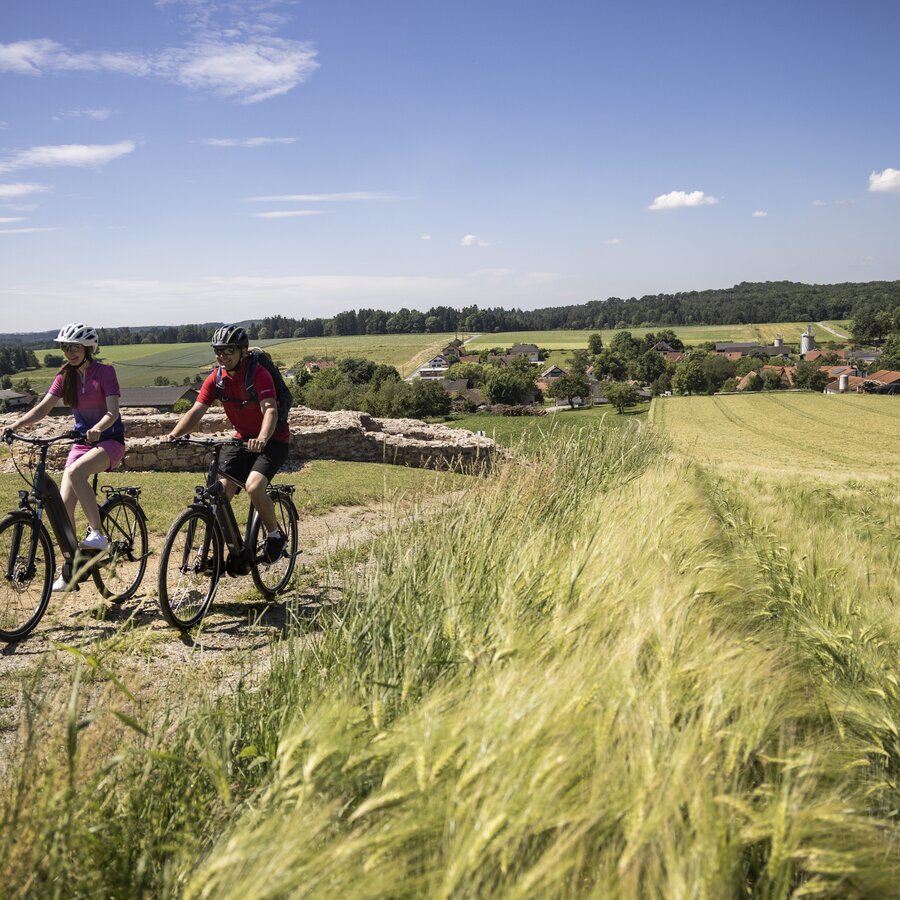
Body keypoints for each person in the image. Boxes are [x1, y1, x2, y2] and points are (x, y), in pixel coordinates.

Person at [3, 323, 125, 590]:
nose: (70, 352)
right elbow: (43, 408)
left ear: (88, 348)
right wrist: (16, 425)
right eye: (66, 347)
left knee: (74, 472)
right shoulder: (64, 376)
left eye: (75, 347)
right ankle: (72, 567)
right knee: (61, 507)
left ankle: (97, 533)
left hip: (110, 441)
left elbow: (112, 411)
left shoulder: (105, 372)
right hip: (82, 444)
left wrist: (98, 428)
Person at [164, 325, 289, 563]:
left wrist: (262, 438)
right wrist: (174, 434)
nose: (222, 356)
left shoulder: (258, 374)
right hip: (242, 439)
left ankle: (275, 536)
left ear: (243, 350)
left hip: (273, 439)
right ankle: (220, 548)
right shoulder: (217, 379)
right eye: (218, 351)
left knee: (254, 487)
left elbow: (270, 410)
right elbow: (196, 410)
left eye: (228, 350)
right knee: (220, 492)